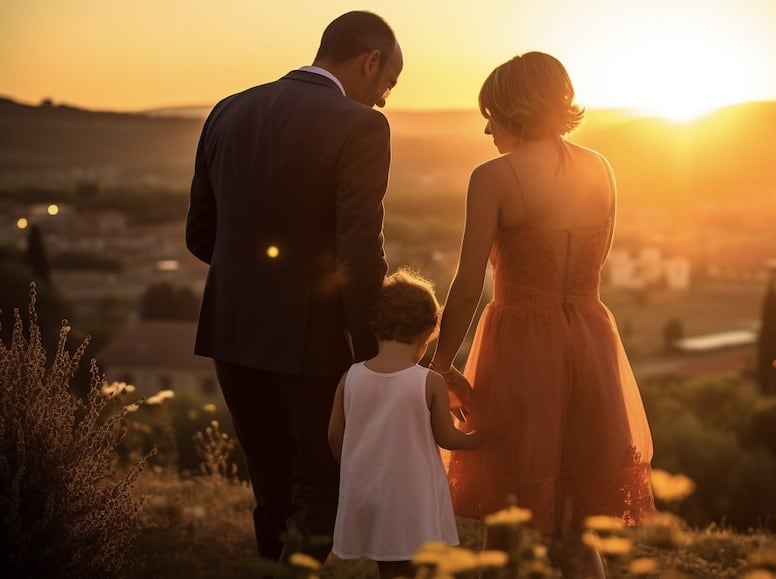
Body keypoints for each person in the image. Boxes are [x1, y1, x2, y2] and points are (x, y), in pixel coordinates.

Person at [185, 11, 402, 563]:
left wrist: (258, 282)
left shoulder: (226, 111)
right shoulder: (361, 126)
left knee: (271, 492)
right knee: (319, 493)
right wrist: (373, 352)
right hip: (314, 342)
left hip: (232, 333)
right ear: (370, 61)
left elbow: (199, 235)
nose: (381, 102)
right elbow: (359, 251)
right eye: (386, 87)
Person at [429, 51, 656, 578]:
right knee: (579, 528)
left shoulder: (492, 177)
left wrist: (438, 366)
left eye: (491, 113)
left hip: (522, 350)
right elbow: (594, 264)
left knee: (503, 520)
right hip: (591, 344)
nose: (486, 128)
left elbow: (466, 288)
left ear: (515, 109)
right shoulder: (601, 168)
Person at [328, 269, 481, 579]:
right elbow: (447, 437)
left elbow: (334, 435)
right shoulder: (428, 381)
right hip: (412, 493)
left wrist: (353, 469)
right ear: (427, 333)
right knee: (414, 566)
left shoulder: (351, 377)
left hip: (367, 488)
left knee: (387, 562)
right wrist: (477, 438)